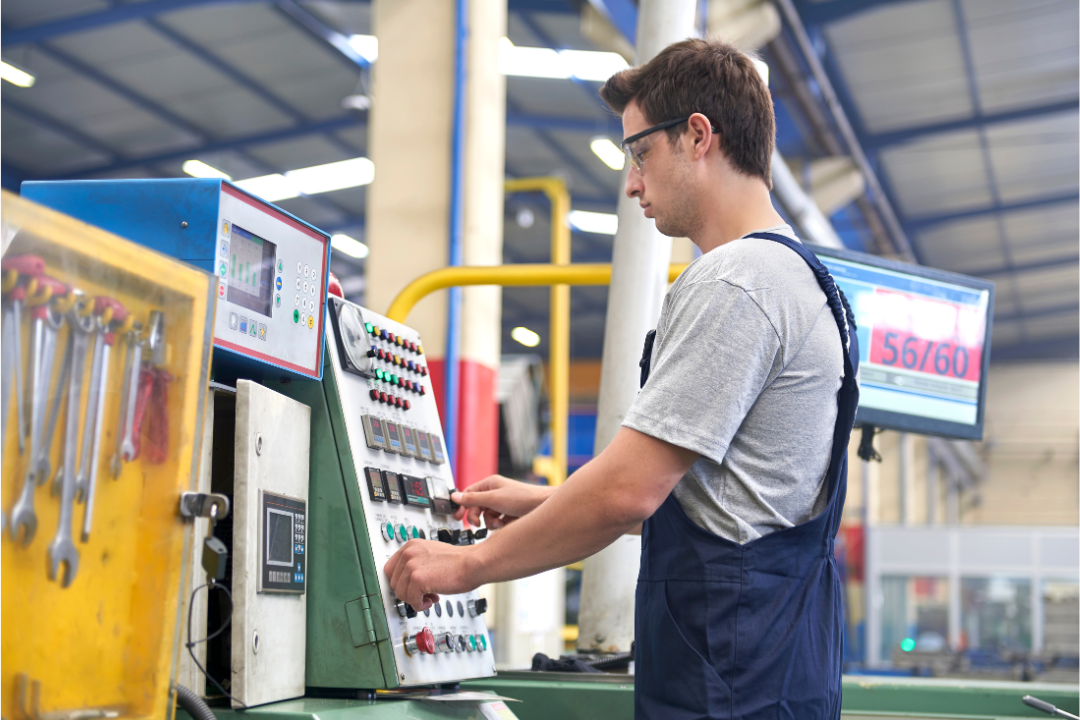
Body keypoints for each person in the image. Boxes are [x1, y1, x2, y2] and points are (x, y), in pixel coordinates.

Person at [385, 38, 859, 719]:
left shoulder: (737, 282)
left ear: (698, 136)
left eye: (639, 153)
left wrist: (464, 567)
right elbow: (726, 512)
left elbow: (628, 493)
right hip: (777, 678)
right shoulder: (810, 285)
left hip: (727, 688)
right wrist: (539, 501)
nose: (632, 181)